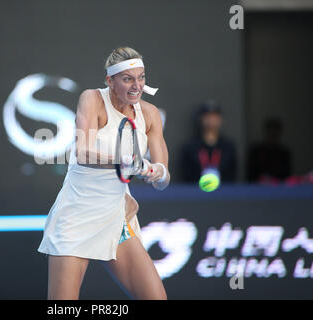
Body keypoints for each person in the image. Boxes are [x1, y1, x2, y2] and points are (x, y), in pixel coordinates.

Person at [37, 47, 170, 300]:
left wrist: (158, 172)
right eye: (127, 78)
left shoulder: (150, 114)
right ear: (110, 80)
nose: (136, 86)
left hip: (117, 217)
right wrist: (123, 161)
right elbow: (83, 152)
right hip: (76, 216)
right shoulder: (92, 99)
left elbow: (164, 179)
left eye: (141, 77)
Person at [181, 100, 237, 183]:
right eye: (207, 116)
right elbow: (187, 176)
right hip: (196, 192)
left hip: (224, 192)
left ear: (220, 119)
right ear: (200, 119)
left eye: (214, 116)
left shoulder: (228, 147)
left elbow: (232, 175)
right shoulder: (190, 147)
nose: (211, 120)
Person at [246, 117, 292, 183]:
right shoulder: (255, 151)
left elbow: (287, 175)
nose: (272, 135)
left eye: (274, 133)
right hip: (257, 188)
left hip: (280, 188)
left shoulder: (284, 153)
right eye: (270, 132)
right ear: (266, 132)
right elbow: (250, 174)